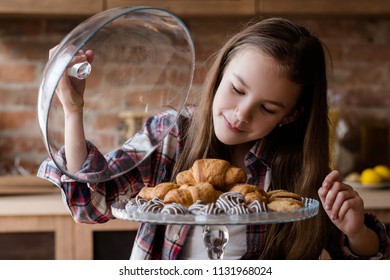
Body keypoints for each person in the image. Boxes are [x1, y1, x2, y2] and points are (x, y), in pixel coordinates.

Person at [38, 17, 389, 259]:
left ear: (291, 115)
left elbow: (362, 249)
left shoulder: (300, 170)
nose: (241, 114)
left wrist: (356, 231)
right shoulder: (172, 135)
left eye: (267, 108)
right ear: (220, 74)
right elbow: (92, 200)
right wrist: (73, 109)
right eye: (236, 89)